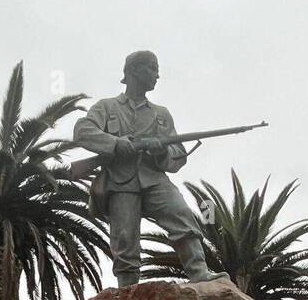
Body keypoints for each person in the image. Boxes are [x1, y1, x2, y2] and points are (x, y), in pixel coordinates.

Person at [73, 50, 227, 287]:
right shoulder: (107, 107)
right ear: (134, 70)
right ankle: (128, 288)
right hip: (120, 180)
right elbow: (83, 131)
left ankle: (198, 272)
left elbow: (178, 154)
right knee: (125, 237)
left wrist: (161, 151)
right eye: (152, 69)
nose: (157, 75)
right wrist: (116, 143)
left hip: (154, 179)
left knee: (181, 215)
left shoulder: (161, 115)